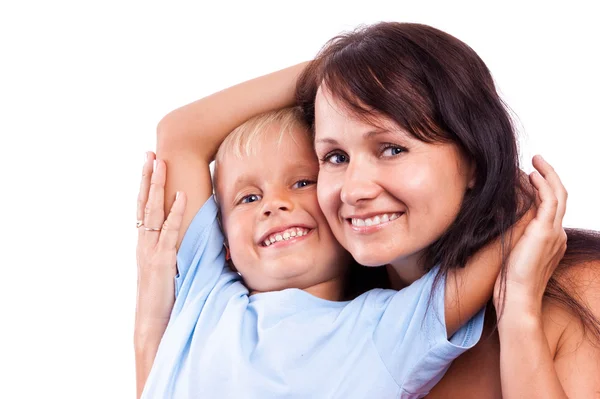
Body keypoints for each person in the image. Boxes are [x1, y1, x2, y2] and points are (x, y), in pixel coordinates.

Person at [135, 100, 538, 398]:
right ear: (222, 242)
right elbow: (179, 133)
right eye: (248, 198)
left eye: (301, 183)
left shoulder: (386, 329)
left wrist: (528, 200)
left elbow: (513, 217)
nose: (274, 204)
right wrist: (335, 71)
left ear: (346, 214)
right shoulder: (202, 296)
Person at [294, 22, 600, 398]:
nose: (354, 190)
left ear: (473, 158)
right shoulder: (331, 324)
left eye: (392, 149)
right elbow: (196, 133)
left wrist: (519, 314)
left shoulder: (584, 288)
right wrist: (342, 63)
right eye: (335, 157)